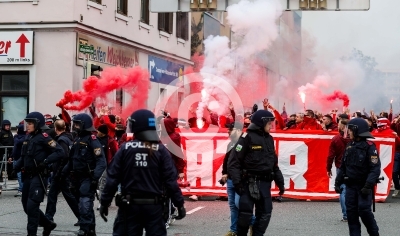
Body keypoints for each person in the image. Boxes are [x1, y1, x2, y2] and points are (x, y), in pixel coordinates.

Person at [99, 109, 186, 236]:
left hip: (129, 207)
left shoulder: (125, 149)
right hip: (154, 207)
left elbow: (112, 178)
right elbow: (170, 181)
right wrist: (179, 203)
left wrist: (104, 202)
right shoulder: (160, 150)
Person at [228, 110, 285, 236]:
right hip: (248, 183)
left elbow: (273, 164)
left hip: (265, 183)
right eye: (269, 123)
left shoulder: (270, 139)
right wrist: (237, 183)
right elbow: (234, 163)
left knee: (265, 214)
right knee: (245, 215)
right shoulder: (245, 138)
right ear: (261, 123)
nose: (271, 126)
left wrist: (280, 183)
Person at [13, 111, 64, 236]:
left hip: (39, 176)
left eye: (30, 123)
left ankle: (32, 234)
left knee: (32, 207)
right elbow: (24, 156)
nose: (28, 125)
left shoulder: (44, 137)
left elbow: (59, 151)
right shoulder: (28, 137)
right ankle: (47, 224)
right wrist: (16, 167)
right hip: (28, 176)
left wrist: (46, 162)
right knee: (26, 205)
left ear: (37, 124)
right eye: (27, 123)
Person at [62, 113, 106, 236]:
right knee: (82, 205)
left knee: (84, 203)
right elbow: (71, 160)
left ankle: (85, 228)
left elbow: (101, 162)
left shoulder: (93, 140)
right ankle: (91, 229)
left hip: (88, 177)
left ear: (84, 125)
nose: (75, 126)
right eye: (74, 124)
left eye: (77, 124)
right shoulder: (77, 140)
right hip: (76, 178)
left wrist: (95, 177)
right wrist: (62, 174)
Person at [335, 118, 381, 236]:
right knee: (351, 214)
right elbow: (343, 166)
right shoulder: (350, 146)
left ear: (357, 130)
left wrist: (368, 185)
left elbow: (375, 168)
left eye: (350, 130)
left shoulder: (370, 147)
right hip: (350, 186)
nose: (348, 132)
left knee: (364, 211)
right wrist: (338, 181)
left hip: (363, 186)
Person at [44, 119, 80, 226]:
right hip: (64, 172)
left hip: (61, 173)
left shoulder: (62, 140)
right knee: (53, 194)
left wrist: (59, 172)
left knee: (67, 196)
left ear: (55, 128)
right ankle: (48, 217)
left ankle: (82, 217)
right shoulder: (69, 138)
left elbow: (64, 156)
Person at [326, 119, 351, 222]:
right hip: (353, 167)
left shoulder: (335, 139)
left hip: (340, 166)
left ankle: (346, 215)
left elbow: (331, 155)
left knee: (342, 190)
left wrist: (328, 168)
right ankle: (353, 213)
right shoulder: (354, 139)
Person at [11, 123, 26, 197]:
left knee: (20, 175)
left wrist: (16, 137)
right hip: (16, 157)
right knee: (18, 175)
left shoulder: (24, 137)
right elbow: (14, 148)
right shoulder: (17, 137)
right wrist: (11, 156)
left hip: (21, 159)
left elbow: (18, 142)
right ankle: (21, 188)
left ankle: (21, 190)